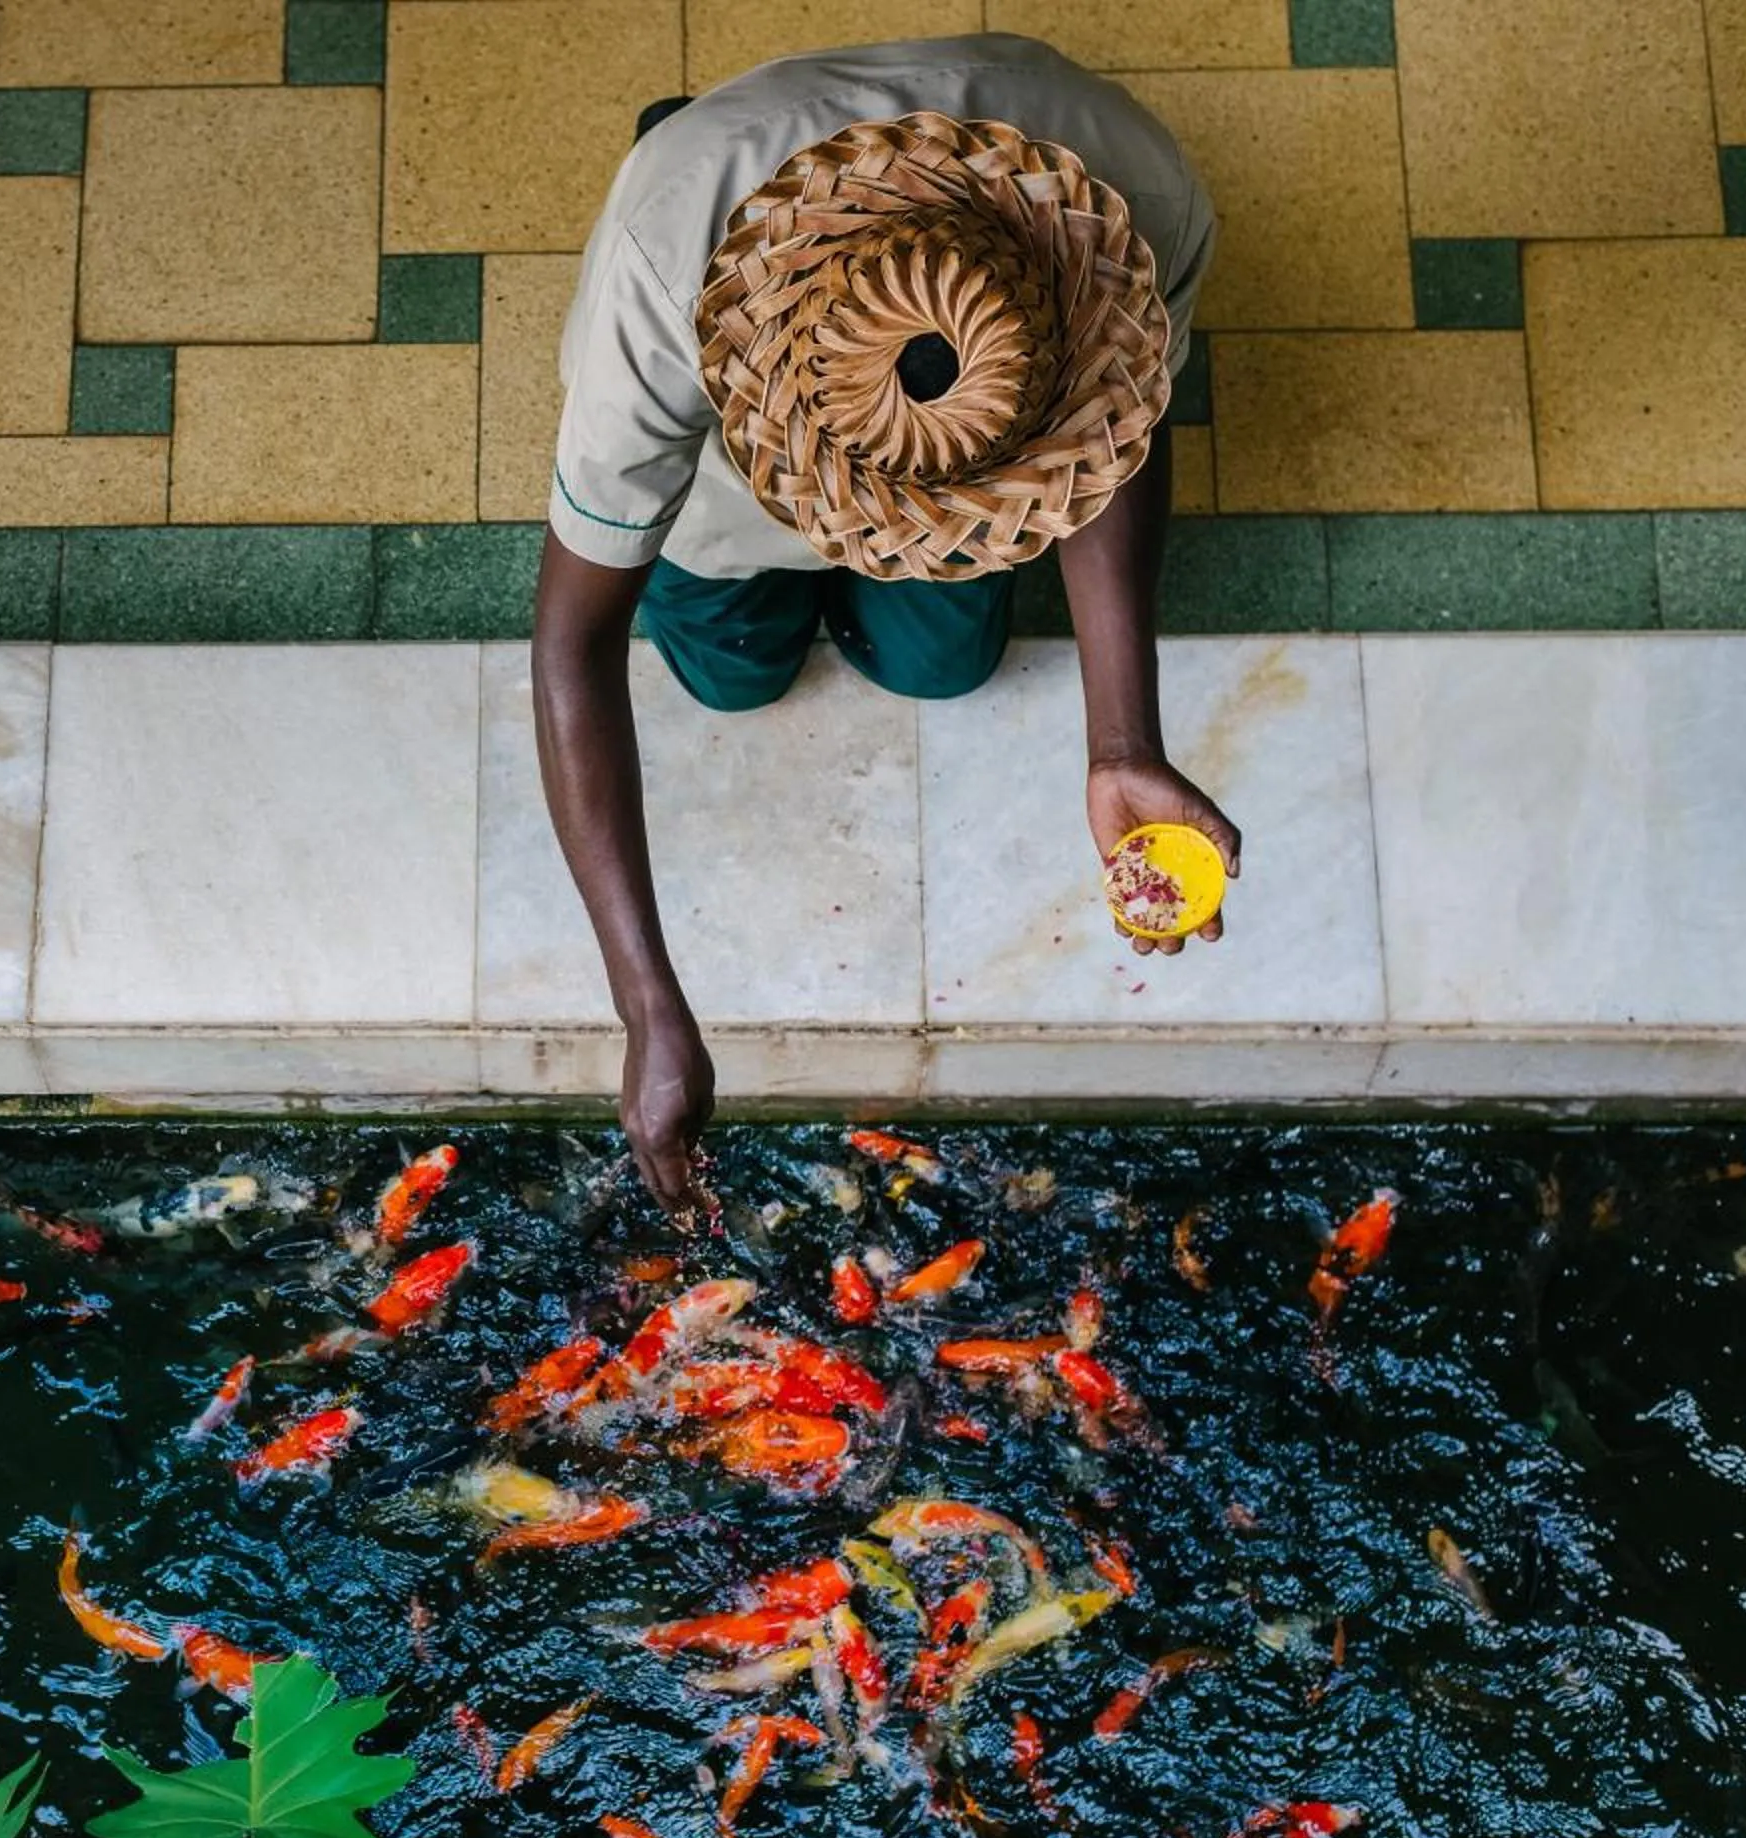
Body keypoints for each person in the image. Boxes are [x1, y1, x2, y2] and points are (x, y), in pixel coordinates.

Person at [532, 33, 1242, 1209]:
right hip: (715, 503)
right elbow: (570, 644)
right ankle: (681, 122)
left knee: (945, 664)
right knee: (732, 673)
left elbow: (1123, 434)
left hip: (988, 489)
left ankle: (920, 570)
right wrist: (645, 1002)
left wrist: (1124, 741)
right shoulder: (660, 278)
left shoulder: (1141, 197)